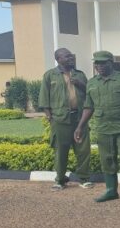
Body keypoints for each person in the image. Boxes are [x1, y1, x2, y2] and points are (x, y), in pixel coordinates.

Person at [74, 51, 120, 202]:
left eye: (103, 63)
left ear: (111, 62)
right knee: (107, 158)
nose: (100, 66)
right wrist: (80, 126)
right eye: (97, 63)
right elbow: (88, 107)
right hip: (103, 127)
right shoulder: (92, 83)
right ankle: (111, 190)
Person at [39, 48, 92, 190]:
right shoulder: (50, 76)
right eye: (66, 56)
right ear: (58, 59)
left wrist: (80, 84)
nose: (70, 58)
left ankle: (84, 178)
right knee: (61, 151)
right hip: (60, 119)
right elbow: (44, 100)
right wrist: (51, 119)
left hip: (80, 118)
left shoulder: (80, 75)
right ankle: (60, 180)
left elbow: (91, 93)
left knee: (83, 150)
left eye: (71, 56)